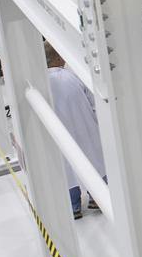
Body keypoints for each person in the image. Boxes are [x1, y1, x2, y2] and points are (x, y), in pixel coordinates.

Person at [44, 42, 106, 219]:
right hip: (86, 129)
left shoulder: (41, 82)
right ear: (58, 57)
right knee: (95, 162)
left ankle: (74, 206)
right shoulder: (73, 76)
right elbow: (94, 104)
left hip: (59, 134)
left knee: (67, 169)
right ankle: (97, 199)